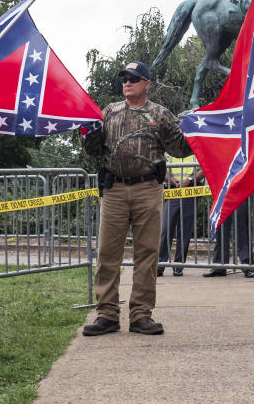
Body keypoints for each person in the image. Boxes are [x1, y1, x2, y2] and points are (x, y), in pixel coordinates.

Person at [82, 61, 193, 336]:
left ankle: (141, 314)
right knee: (108, 254)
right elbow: (92, 150)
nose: (127, 82)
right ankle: (106, 314)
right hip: (115, 190)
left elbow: (181, 149)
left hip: (148, 189)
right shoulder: (109, 112)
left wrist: (197, 127)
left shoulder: (160, 114)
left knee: (147, 254)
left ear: (147, 84)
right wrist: (85, 128)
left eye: (133, 78)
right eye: (124, 78)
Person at [158, 153, 200, 277]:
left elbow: (202, 169)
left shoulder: (194, 145)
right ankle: (160, 264)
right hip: (173, 188)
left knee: (185, 230)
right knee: (166, 228)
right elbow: (161, 168)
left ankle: (178, 265)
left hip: (190, 189)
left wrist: (189, 180)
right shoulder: (167, 150)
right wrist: (172, 180)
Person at [202, 193, 254, 278]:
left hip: (240, 192)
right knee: (221, 229)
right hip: (223, 193)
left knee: (242, 229)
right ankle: (219, 266)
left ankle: (247, 265)